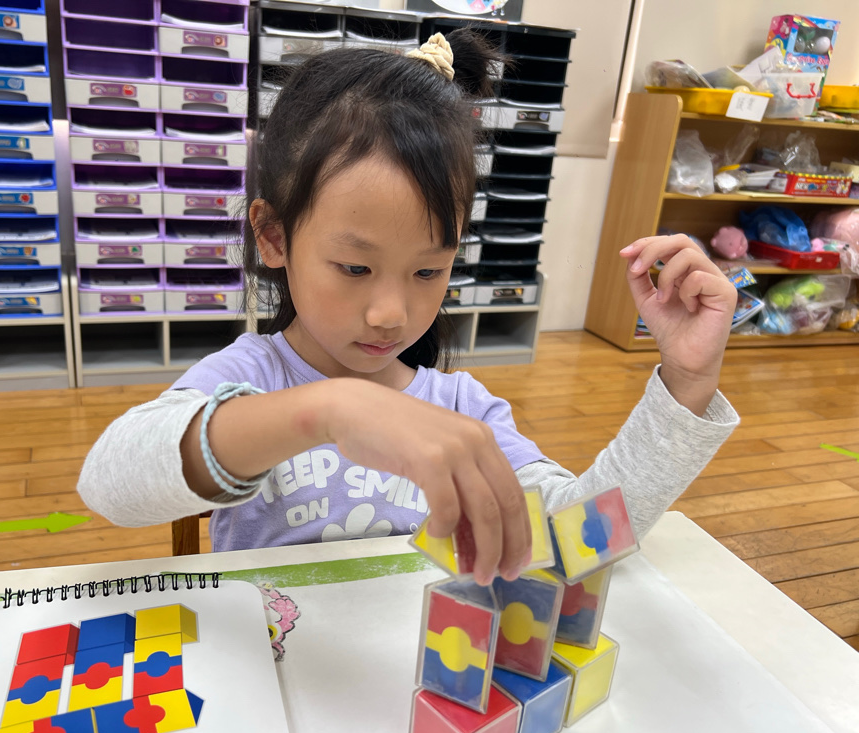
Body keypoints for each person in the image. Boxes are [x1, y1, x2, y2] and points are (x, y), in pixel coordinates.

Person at [78, 30, 740, 587]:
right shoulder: (251, 378)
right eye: (355, 268)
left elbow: (576, 541)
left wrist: (685, 385)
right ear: (274, 236)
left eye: (428, 271)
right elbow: (109, 484)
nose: (390, 314)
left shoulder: (464, 410)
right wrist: (327, 410)